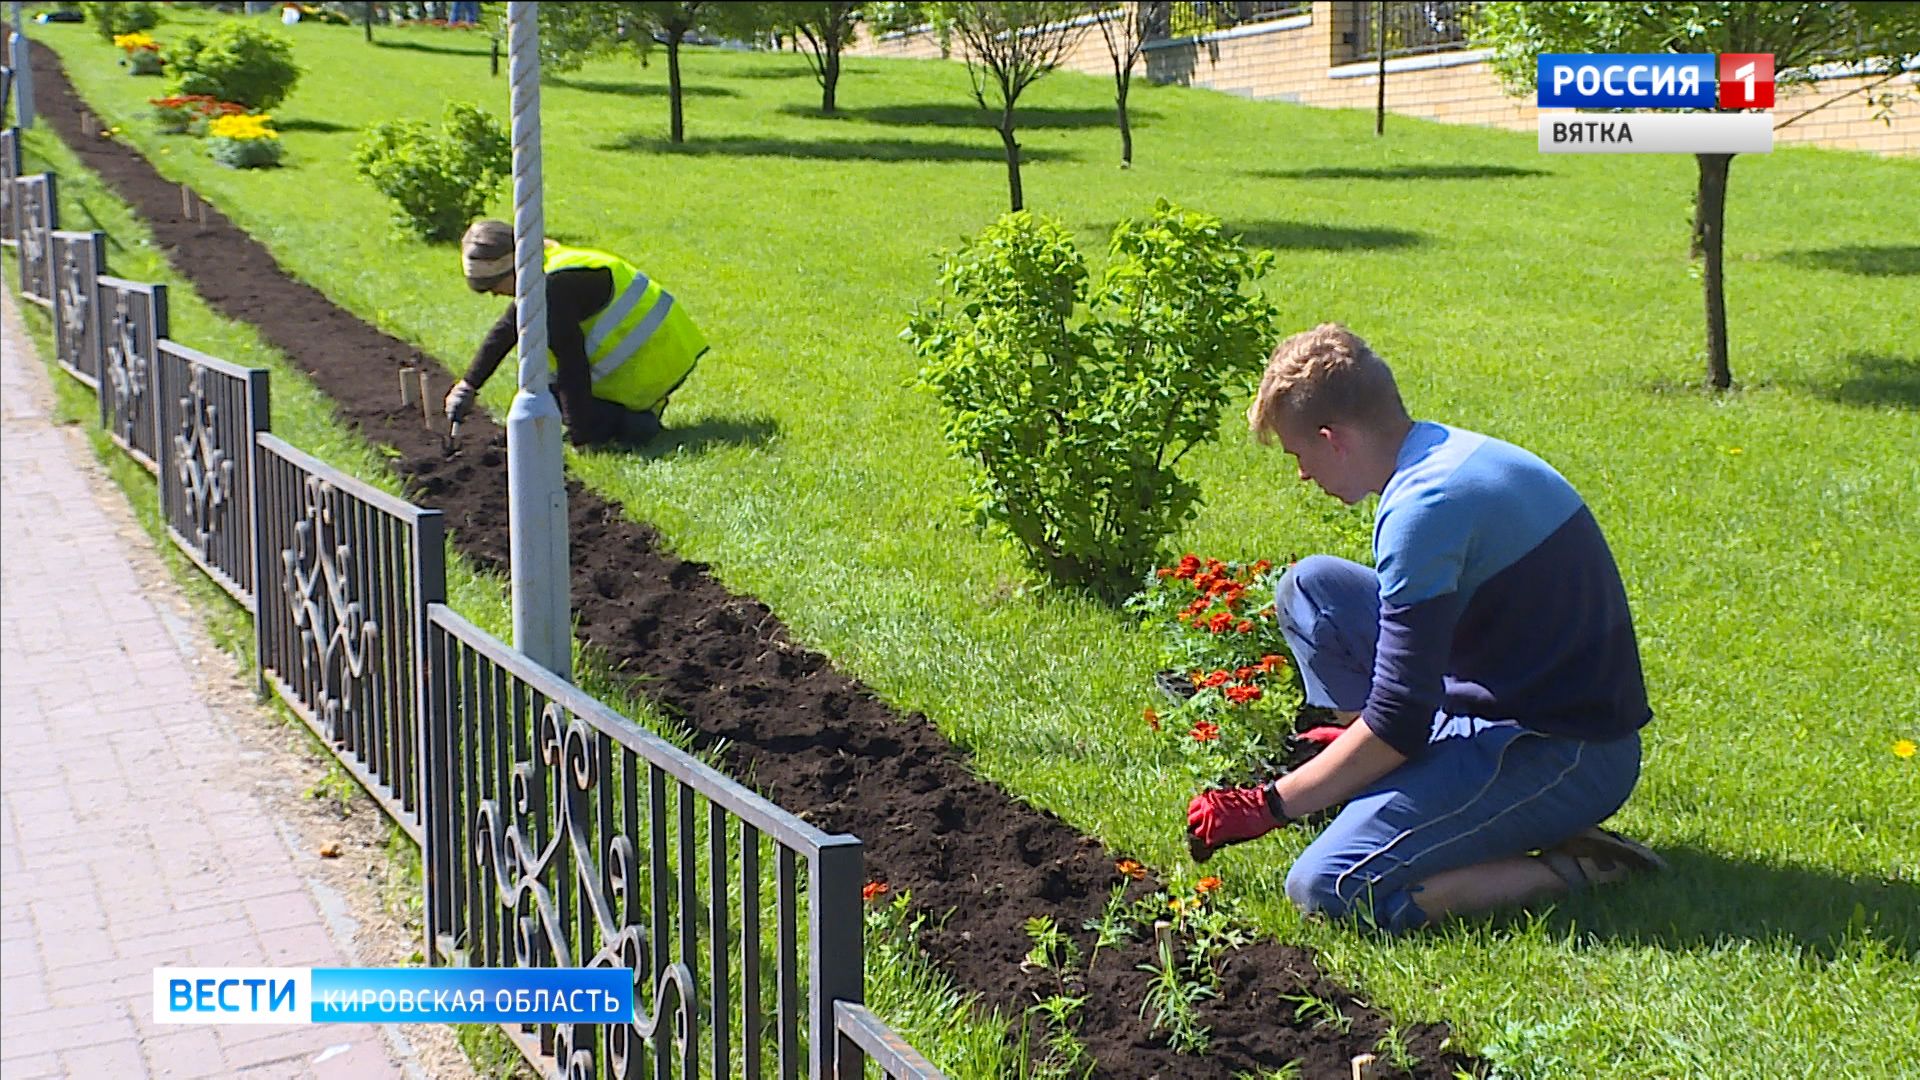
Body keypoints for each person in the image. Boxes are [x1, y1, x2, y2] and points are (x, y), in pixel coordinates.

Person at [1185, 323, 1663, 933]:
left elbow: (1400, 723)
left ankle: (1582, 868)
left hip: (1565, 751)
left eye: (1298, 455)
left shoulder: (1423, 509)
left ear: (1333, 440)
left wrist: (1271, 804)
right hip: (1501, 696)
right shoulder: (1439, 452)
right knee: (1314, 588)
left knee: (1327, 887)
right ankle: (1372, 785)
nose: (1302, 474)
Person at [445, 220, 708, 448]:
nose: (493, 294)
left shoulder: (554, 290)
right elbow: (507, 328)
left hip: (654, 360)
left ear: (512, 270)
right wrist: (468, 386)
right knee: (549, 396)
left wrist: (583, 437)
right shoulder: (544, 266)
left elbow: (572, 363)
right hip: (665, 348)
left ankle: (637, 425)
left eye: (493, 285)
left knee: (549, 399)